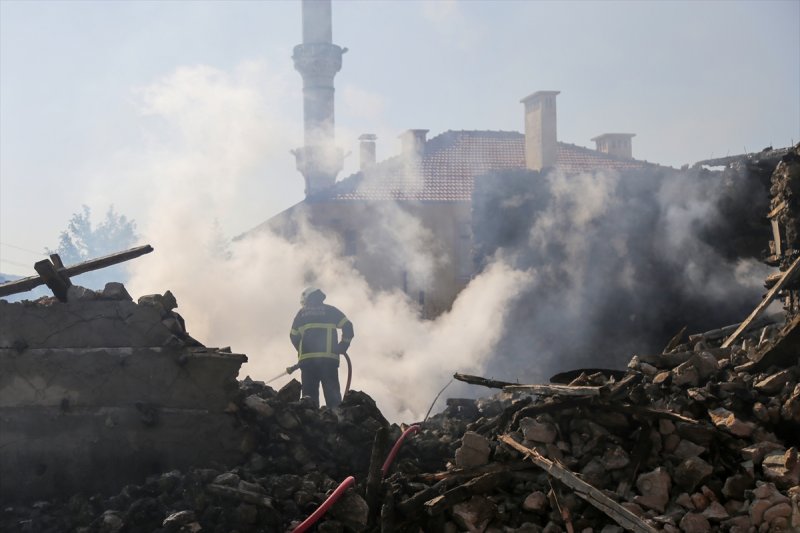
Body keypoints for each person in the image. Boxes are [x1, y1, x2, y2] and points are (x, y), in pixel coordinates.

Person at [289, 287, 354, 408]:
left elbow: (293, 336)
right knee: (333, 398)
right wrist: (343, 346)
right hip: (329, 361)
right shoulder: (331, 311)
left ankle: (312, 424)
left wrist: (302, 351)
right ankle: (338, 421)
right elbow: (348, 326)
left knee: (309, 400)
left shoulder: (301, 314)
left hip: (307, 363)